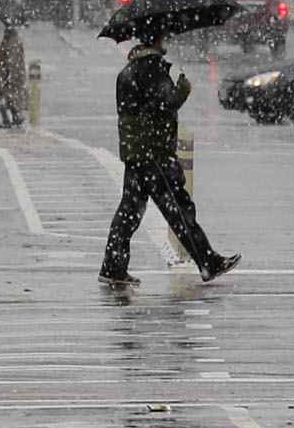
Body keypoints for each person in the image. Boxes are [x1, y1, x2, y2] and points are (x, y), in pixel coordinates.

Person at [100, 26, 238, 284]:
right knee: (177, 206)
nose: (167, 42)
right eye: (164, 37)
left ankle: (113, 267)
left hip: (136, 151)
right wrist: (183, 88)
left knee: (130, 210)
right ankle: (208, 261)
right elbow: (166, 103)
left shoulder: (128, 71)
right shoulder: (151, 69)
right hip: (154, 152)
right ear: (156, 40)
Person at [0, 22, 28, 128]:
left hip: (11, 74)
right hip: (7, 73)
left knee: (3, 96)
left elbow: (12, 60)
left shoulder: (13, 42)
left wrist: (8, 73)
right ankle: (14, 117)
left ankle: (10, 119)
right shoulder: (8, 40)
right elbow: (2, 54)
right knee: (6, 97)